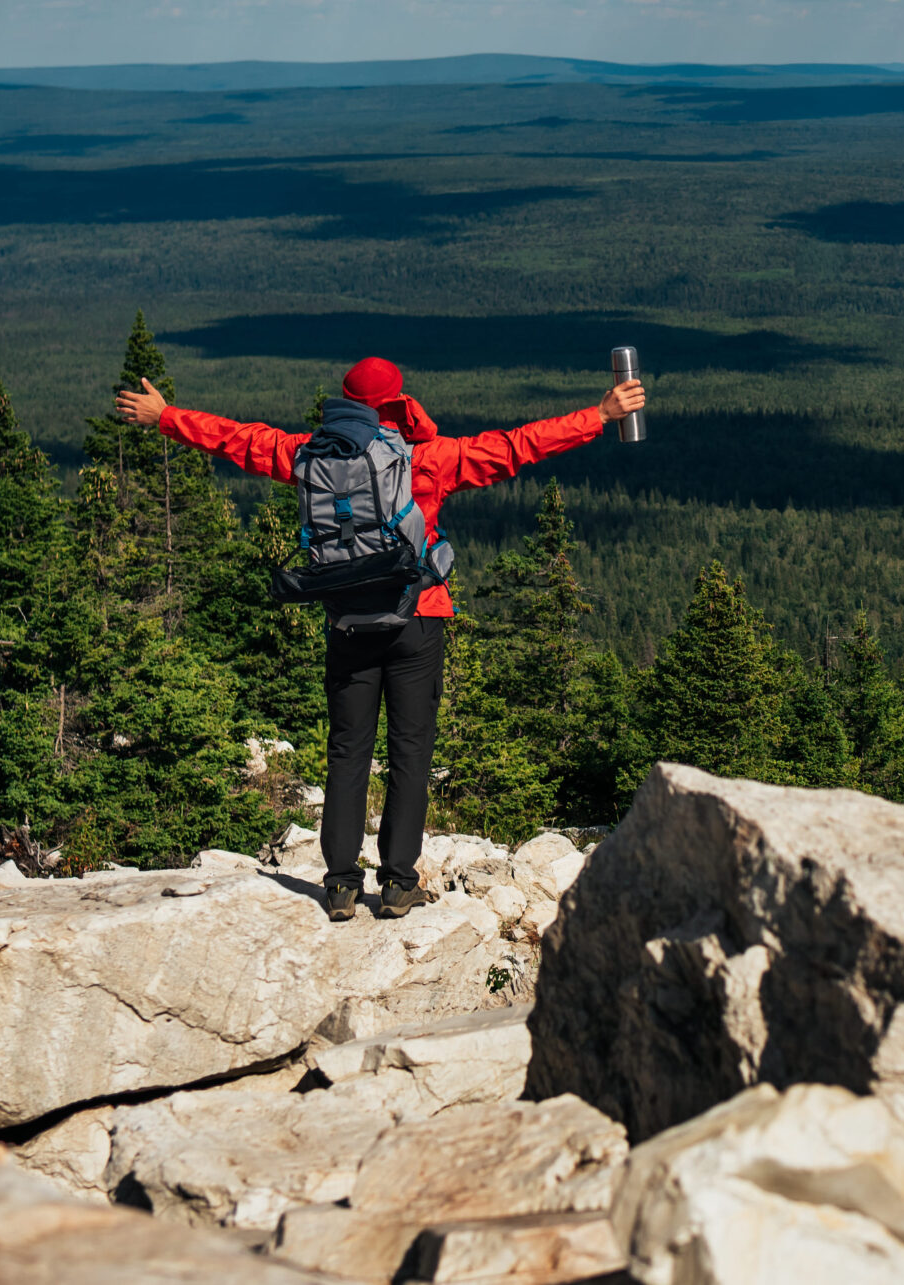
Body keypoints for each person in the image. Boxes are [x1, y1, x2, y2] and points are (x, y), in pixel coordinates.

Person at [113, 356, 645, 922]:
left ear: (345, 400)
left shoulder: (305, 453)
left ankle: (340, 886)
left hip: (347, 620)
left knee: (347, 752)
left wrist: (166, 415)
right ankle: (397, 884)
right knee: (409, 754)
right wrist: (599, 415)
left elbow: (238, 440)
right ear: (396, 403)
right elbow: (516, 447)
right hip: (416, 617)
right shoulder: (428, 459)